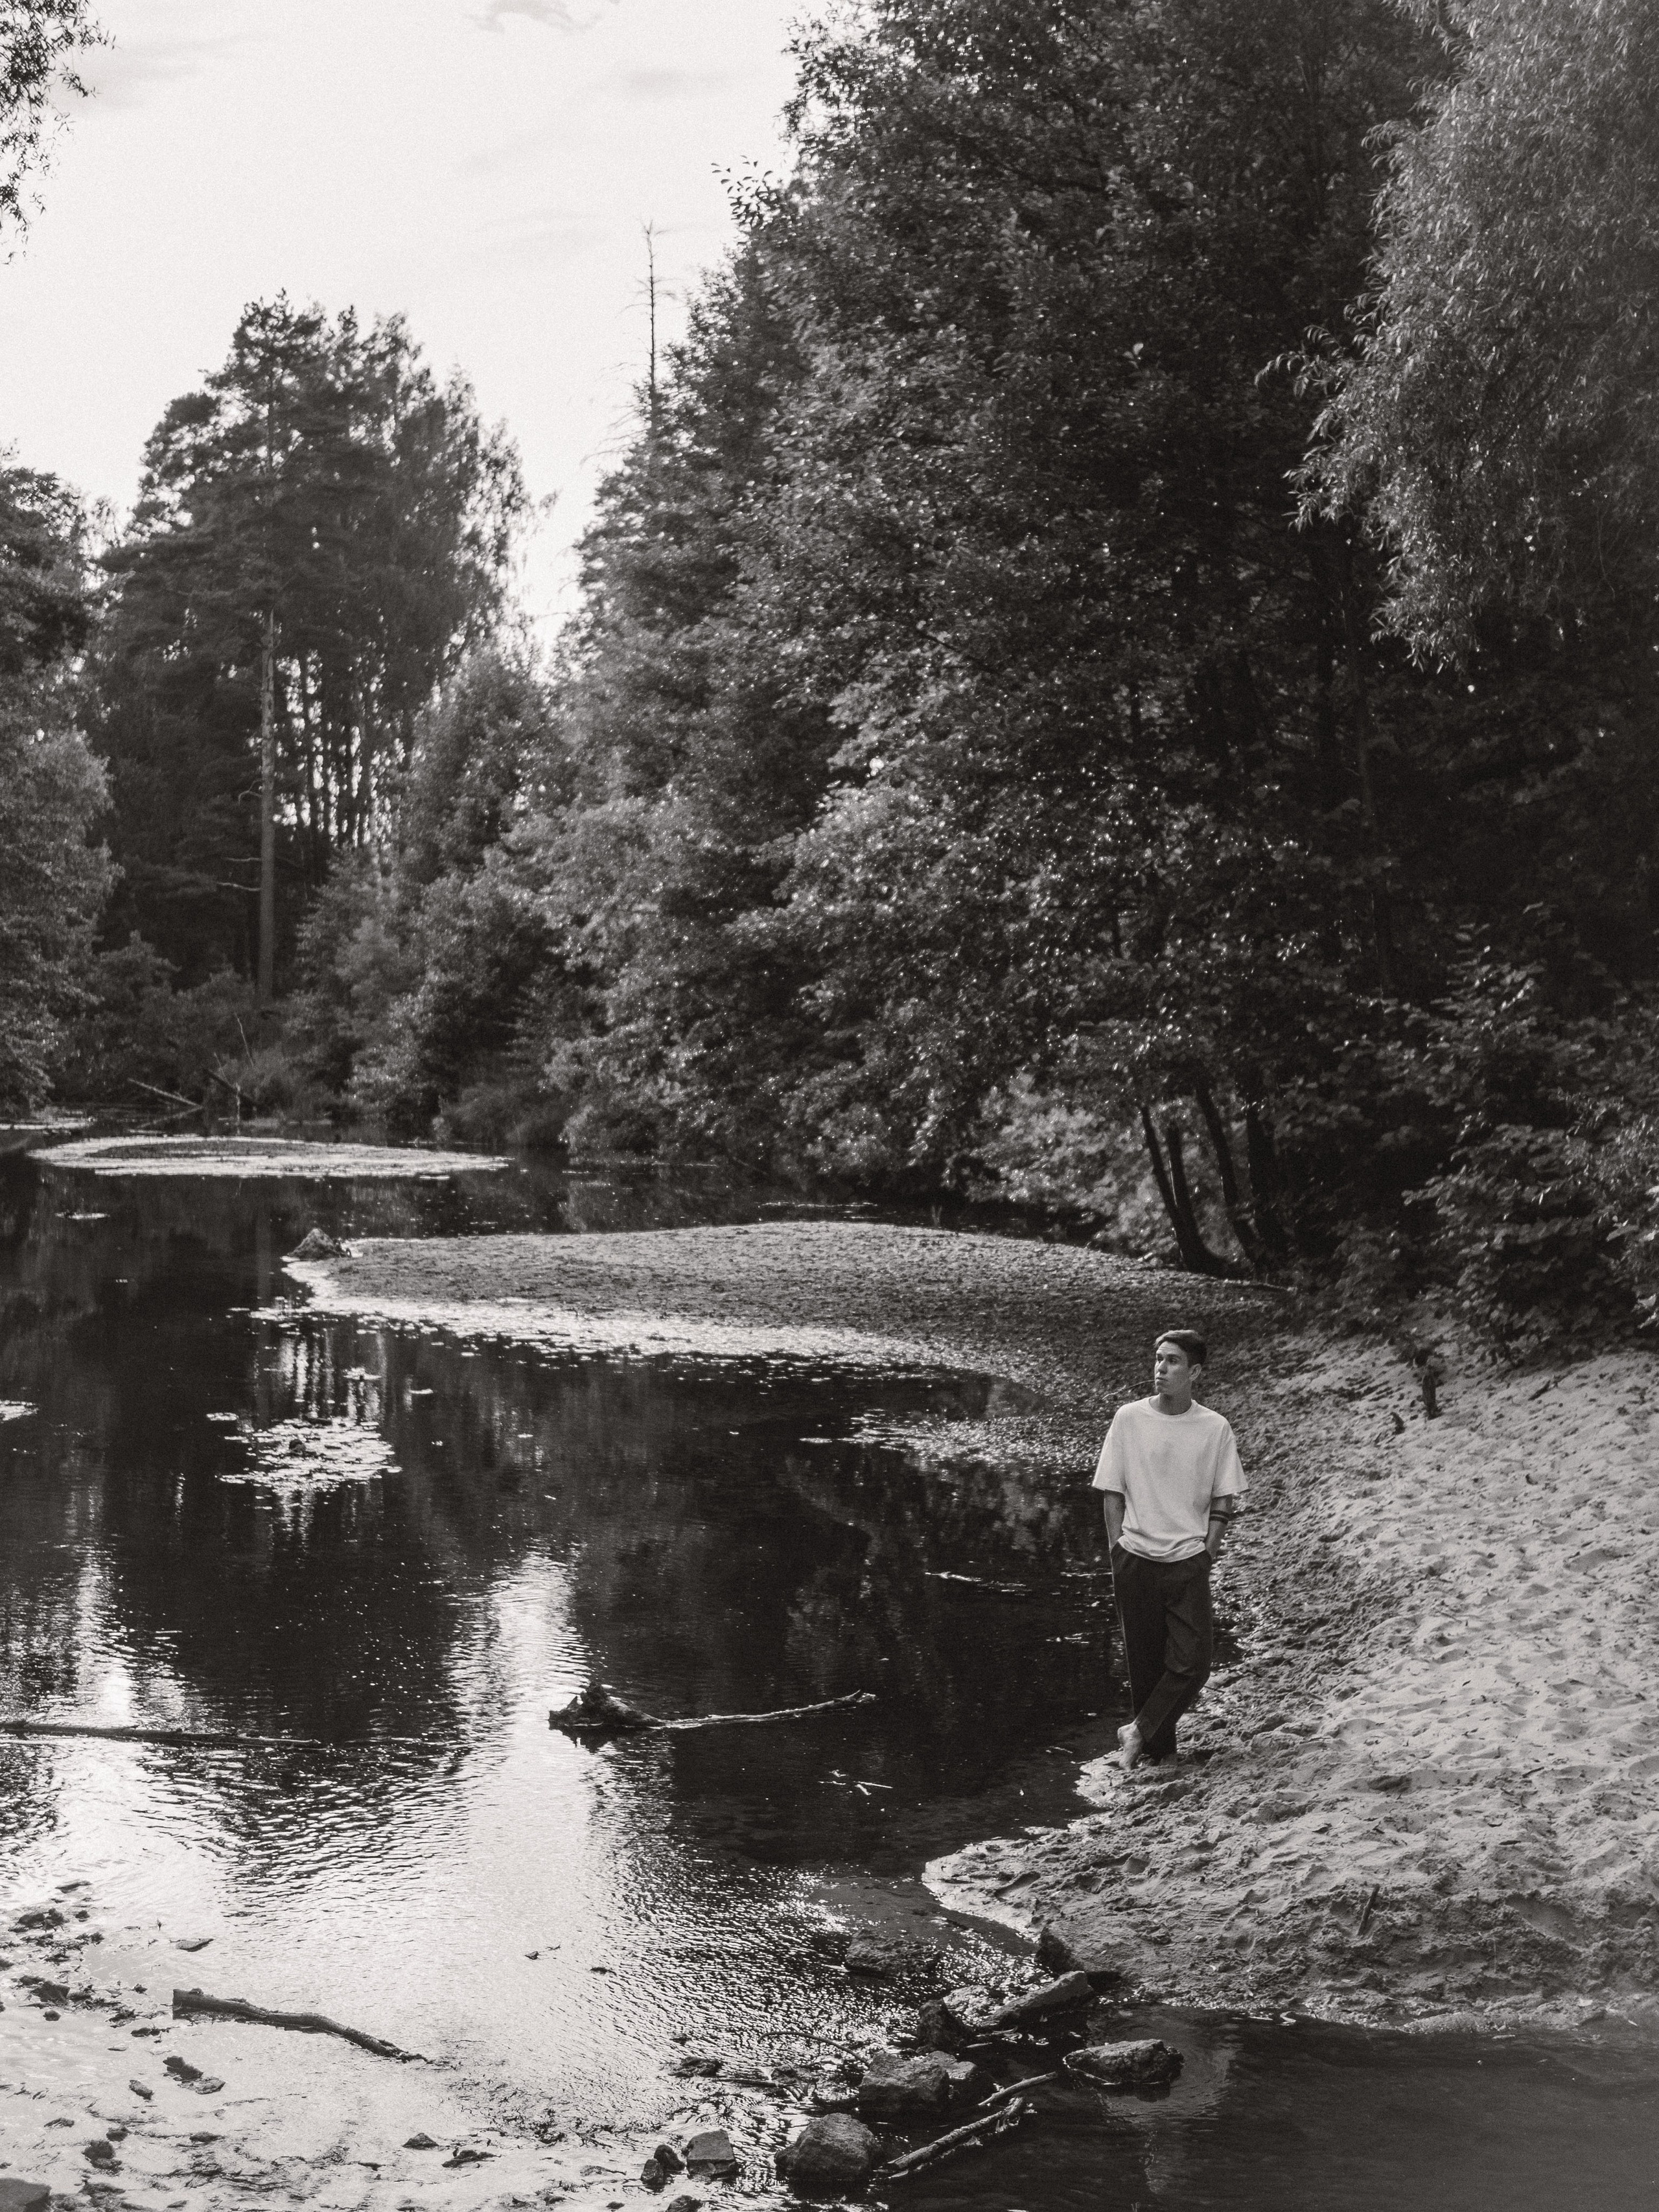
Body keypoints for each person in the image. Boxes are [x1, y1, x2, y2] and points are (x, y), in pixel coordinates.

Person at [1095, 1327, 1245, 1770]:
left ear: (1194, 1372)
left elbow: (1224, 1496)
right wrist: (1116, 1549)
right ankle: (1158, 1754)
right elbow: (1112, 1490)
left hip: (1187, 1560)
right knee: (1145, 1665)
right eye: (1159, 1358)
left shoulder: (1214, 1427)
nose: (1161, 1368)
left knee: (1194, 1663)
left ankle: (1137, 1731)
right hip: (1134, 1557)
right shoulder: (1129, 1418)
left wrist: (1208, 1551)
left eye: (1173, 1361)